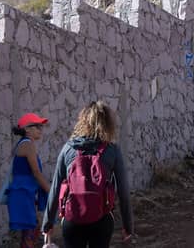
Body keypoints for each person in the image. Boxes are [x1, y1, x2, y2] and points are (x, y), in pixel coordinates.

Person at [43, 101, 133, 248]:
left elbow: (55, 188)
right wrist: (128, 227)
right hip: (102, 219)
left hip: (72, 220)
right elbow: (123, 192)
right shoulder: (112, 150)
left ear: (83, 121)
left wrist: (47, 224)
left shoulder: (68, 149)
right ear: (108, 124)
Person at [6, 113, 51, 248]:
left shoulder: (26, 144)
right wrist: (50, 191)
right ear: (27, 129)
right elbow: (36, 172)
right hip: (23, 192)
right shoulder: (27, 145)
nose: (40, 130)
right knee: (30, 231)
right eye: (37, 126)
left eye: (41, 127)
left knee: (32, 229)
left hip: (25, 192)